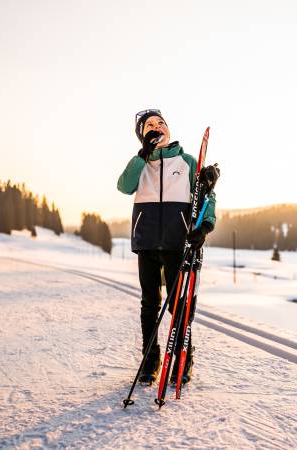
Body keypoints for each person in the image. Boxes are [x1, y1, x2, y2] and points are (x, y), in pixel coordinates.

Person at [117, 109, 216, 385]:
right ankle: (151, 362)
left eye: (161, 123)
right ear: (143, 134)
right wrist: (141, 155)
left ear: (168, 130)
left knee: (179, 305)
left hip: (177, 243)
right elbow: (124, 187)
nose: (156, 127)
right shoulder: (139, 165)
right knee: (149, 304)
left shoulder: (186, 162)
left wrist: (205, 227)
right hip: (147, 242)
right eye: (149, 125)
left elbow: (208, 197)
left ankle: (183, 359)